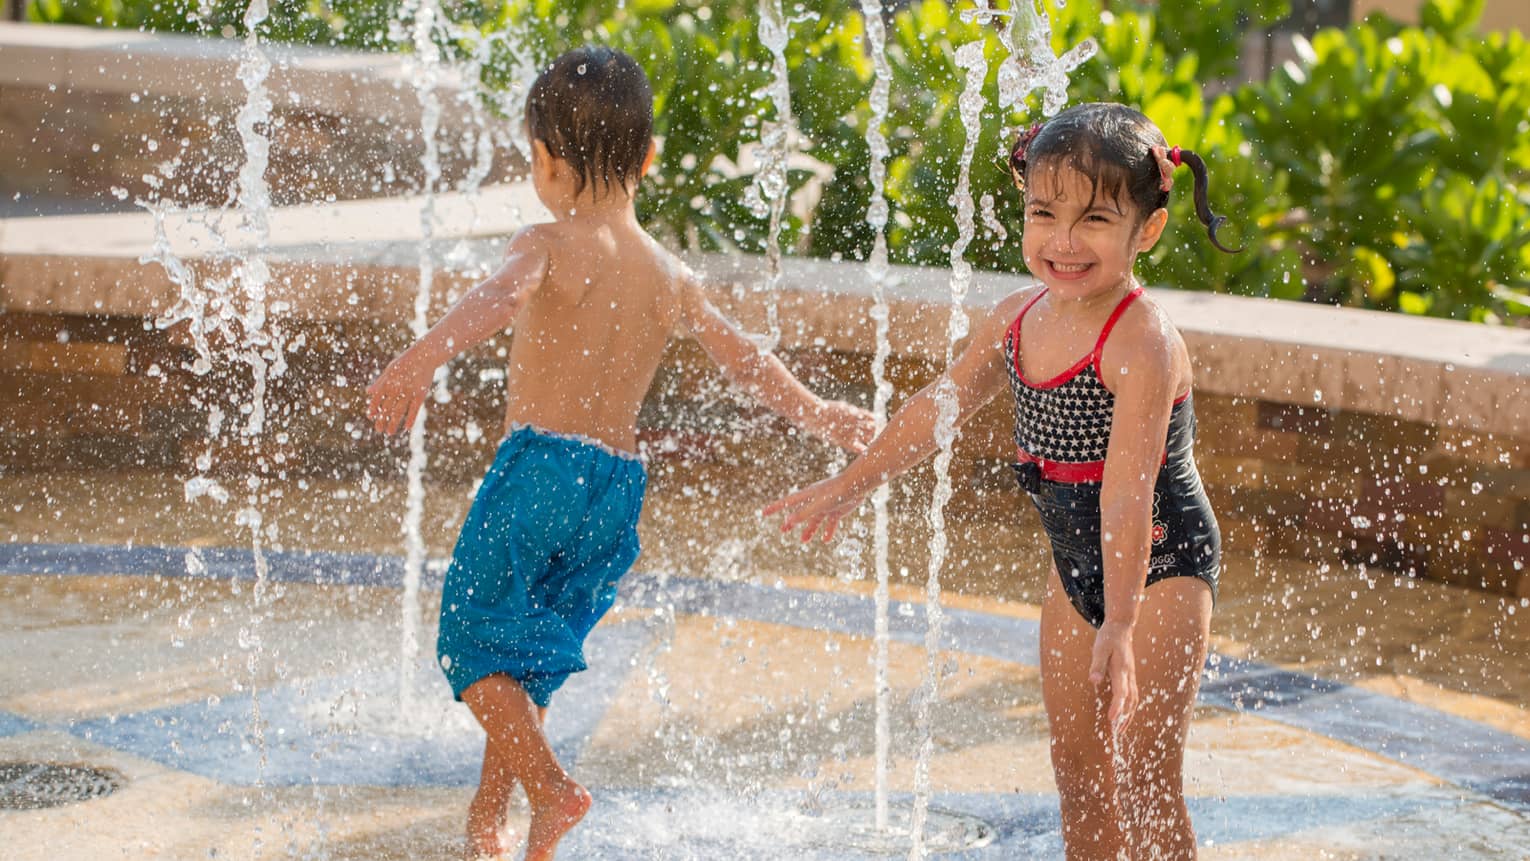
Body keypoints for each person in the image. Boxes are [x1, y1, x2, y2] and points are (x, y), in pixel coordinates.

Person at [366, 46, 875, 861]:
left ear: (543, 160)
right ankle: (490, 827)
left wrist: (422, 356)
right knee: (526, 659)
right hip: (615, 488)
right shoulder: (670, 273)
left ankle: (553, 789)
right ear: (648, 158)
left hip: (539, 468)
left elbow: (498, 299)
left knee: (469, 638)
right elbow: (744, 357)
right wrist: (817, 411)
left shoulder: (546, 242)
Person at [767, 102, 1237, 860]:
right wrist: (854, 481)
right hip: (1076, 565)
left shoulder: (1142, 342)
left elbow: (1127, 492)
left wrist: (1119, 624)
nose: (1062, 240)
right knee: (1079, 773)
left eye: (1092, 220)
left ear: (1145, 230)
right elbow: (935, 408)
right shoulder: (1017, 319)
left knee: (1145, 776)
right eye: (1043, 213)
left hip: (1159, 566)